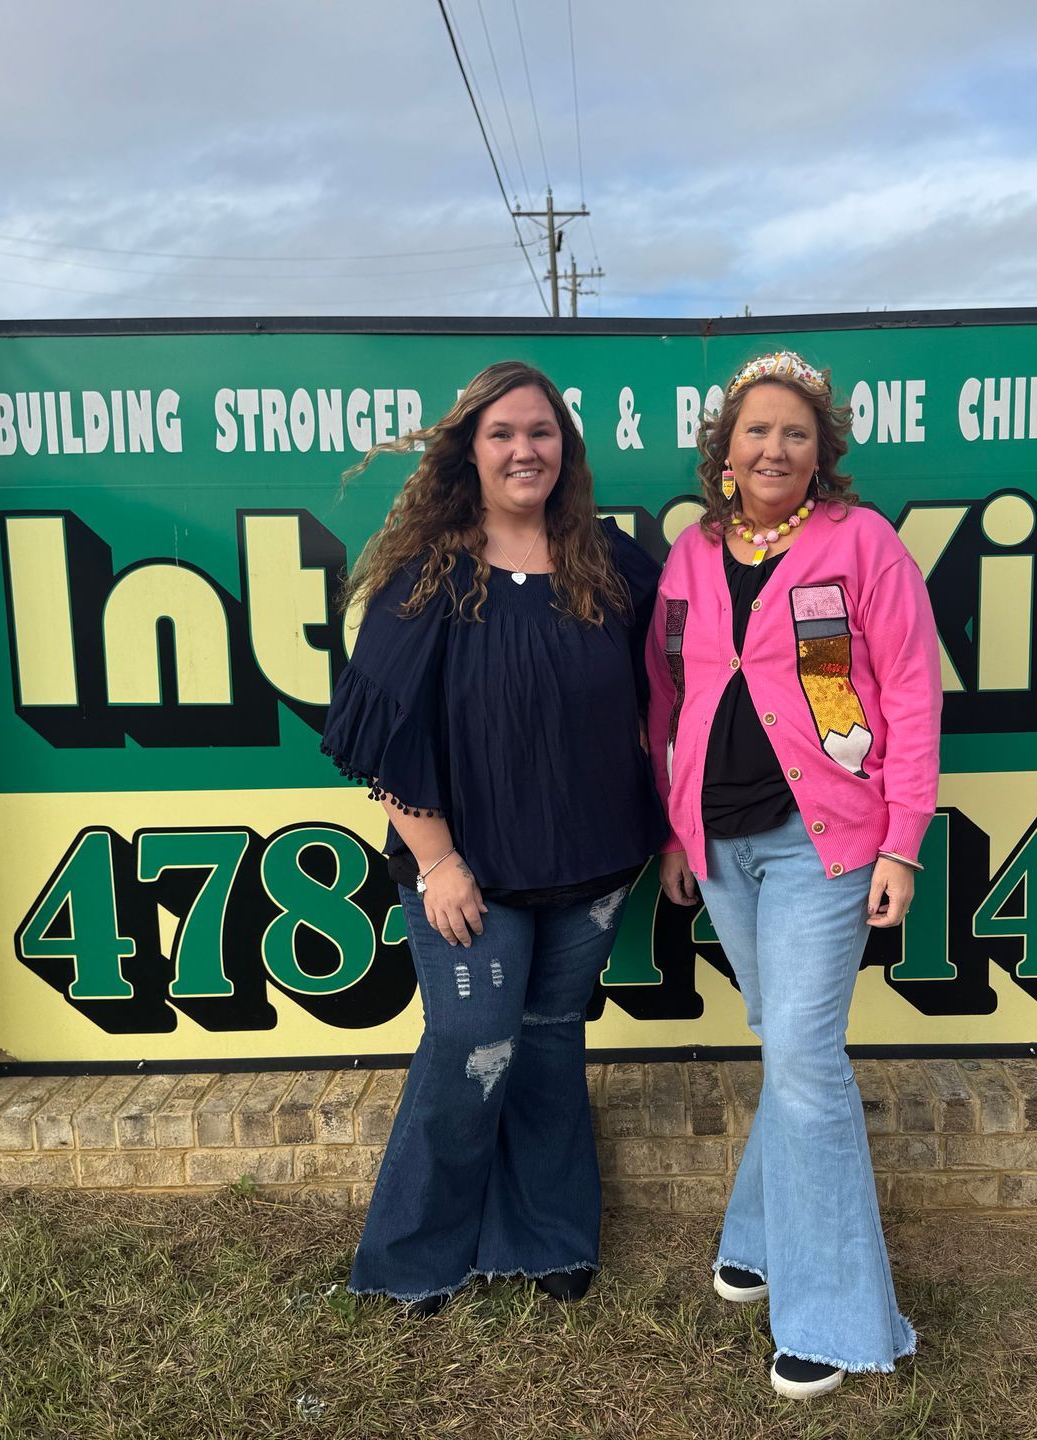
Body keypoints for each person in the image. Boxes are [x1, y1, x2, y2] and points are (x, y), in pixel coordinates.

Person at [322, 360, 665, 1314]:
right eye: (503, 433)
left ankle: (548, 1235)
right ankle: (415, 1254)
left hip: (596, 861)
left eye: (542, 432)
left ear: (567, 448)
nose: (525, 450)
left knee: (550, 1040)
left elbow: (685, 675)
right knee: (471, 1041)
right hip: (467, 870)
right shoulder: (427, 573)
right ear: (468, 450)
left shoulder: (610, 559)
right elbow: (378, 734)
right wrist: (437, 862)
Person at [646, 350, 942, 1399]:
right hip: (719, 844)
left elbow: (909, 693)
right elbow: (667, 697)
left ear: (822, 454)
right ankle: (760, 1234)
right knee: (784, 1041)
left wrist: (903, 841)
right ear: (724, 453)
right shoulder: (689, 557)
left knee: (808, 1062)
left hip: (827, 843)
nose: (775, 448)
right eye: (757, 431)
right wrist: (677, 835)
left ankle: (838, 1321)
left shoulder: (863, 545)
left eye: (797, 433)